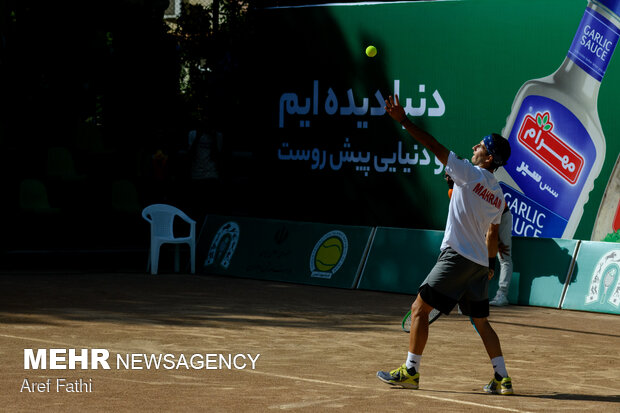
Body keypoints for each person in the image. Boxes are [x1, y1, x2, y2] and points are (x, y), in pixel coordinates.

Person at [376, 95, 514, 395]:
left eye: (480, 146)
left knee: (418, 310)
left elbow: (434, 146)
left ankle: (410, 371)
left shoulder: (468, 172)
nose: (475, 148)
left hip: (456, 257)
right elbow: (491, 235)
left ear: (488, 158)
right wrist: (489, 266)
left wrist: (404, 121)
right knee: (481, 322)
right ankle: (502, 377)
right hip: (479, 264)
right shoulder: (499, 196)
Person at [490, 206, 513, 306]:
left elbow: (492, 230)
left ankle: (502, 294)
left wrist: (498, 242)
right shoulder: (457, 195)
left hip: (502, 216)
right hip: (489, 219)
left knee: (504, 256)